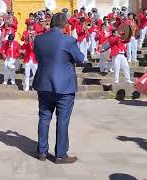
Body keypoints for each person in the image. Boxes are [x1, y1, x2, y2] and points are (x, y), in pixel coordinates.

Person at [33, 13, 84, 164]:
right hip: (64, 87)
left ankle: (42, 152)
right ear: (65, 25)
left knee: (44, 118)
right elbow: (80, 58)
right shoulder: (69, 40)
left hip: (44, 84)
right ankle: (60, 154)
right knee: (62, 120)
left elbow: (38, 57)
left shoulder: (39, 39)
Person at [21, 24, 37, 91]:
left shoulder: (36, 43)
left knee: (35, 74)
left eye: (32, 37)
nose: (31, 38)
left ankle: (34, 86)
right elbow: (21, 48)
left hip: (35, 60)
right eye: (30, 37)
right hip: (27, 60)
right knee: (27, 74)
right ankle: (27, 86)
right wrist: (27, 41)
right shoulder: (26, 44)